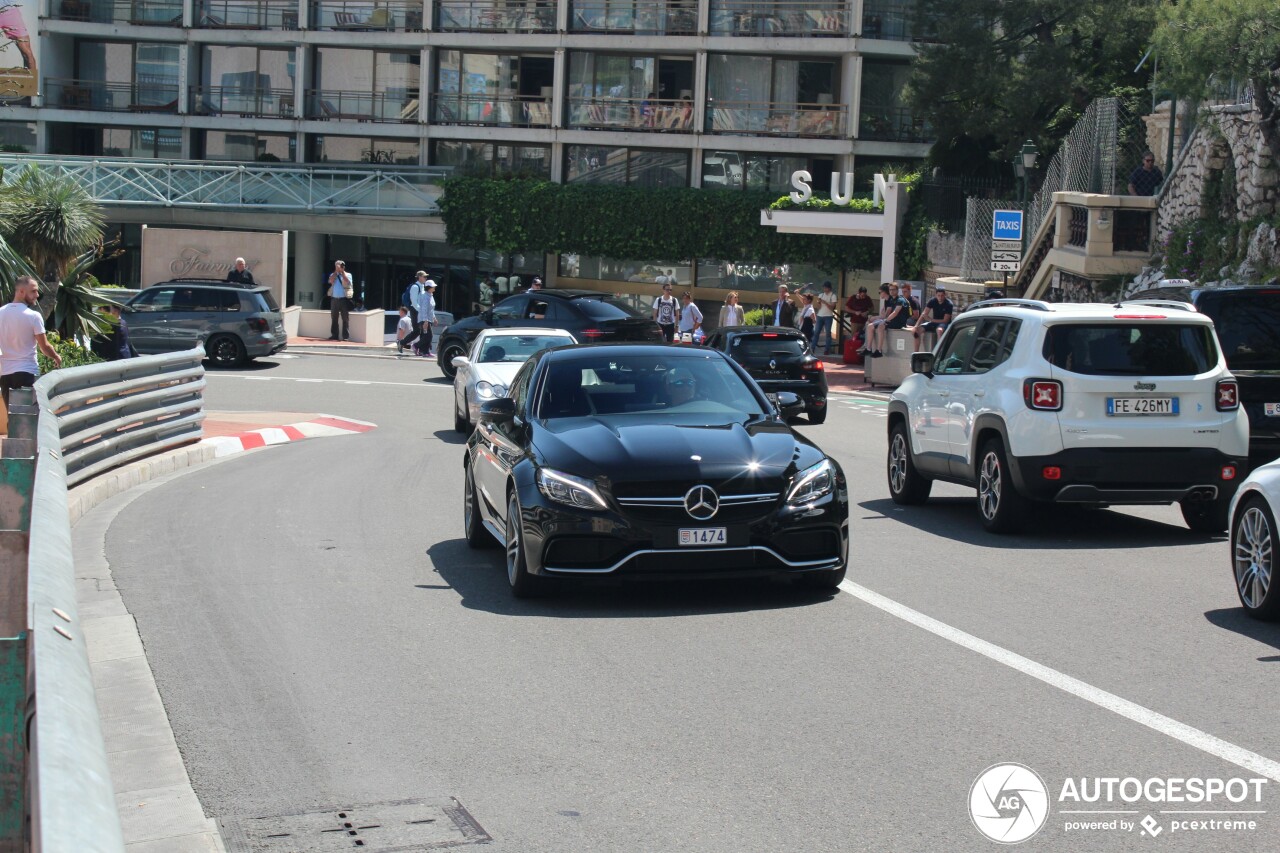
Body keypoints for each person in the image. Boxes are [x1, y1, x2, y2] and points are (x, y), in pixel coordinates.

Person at [0, 276, 60, 405]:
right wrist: (56, 356)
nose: (37, 295)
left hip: (5, 375)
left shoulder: (1, 313)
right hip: (27, 373)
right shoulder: (34, 316)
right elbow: (44, 347)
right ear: (21, 291)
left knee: (13, 418)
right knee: (28, 419)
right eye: (33, 291)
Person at [865, 282, 908, 358]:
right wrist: (884, 319)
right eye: (890, 290)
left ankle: (879, 350)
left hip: (899, 322)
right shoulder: (892, 300)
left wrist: (885, 320)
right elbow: (886, 313)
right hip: (893, 321)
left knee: (881, 326)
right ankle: (869, 348)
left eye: (893, 290)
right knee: (871, 326)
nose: (891, 291)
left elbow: (895, 312)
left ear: (897, 290)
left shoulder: (900, 300)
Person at [912, 284, 954, 350]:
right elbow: (924, 313)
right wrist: (916, 326)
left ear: (945, 295)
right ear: (936, 295)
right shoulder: (932, 301)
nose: (940, 297)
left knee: (939, 330)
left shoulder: (948, 304)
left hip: (944, 324)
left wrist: (931, 319)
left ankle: (939, 352)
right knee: (916, 331)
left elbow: (945, 320)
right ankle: (915, 353)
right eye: (938, 295)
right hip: (933, 322)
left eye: (942, 296)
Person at [327, 260, 353, 341]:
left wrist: (342, 272)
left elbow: (348, 282)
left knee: (345, 318)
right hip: (334, 299)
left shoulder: (348, 274)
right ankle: (334, 335)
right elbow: (330, 281)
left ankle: (345, 337)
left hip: (343, 299)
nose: (339, 267)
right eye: (338, 265)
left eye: (341, 265)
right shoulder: (333, 275)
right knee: (334, 318)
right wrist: (336, 271)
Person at [814, 281, 838, 353]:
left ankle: (827, 349)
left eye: (826, 288)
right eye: (824, 287)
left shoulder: (833, 296)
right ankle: (812, 348)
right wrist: (819, 303)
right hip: (820, 315)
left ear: (829, 288)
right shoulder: (821, 295)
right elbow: (818, 307)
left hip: (828, 316)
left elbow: (832, 308)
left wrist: (825, 302)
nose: (825, 289)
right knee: (816, 332)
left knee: (828, 333)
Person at [416, 278, 437, 356]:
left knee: (425, 335)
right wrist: (425, 321)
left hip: (429, 319)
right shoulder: (425, 296)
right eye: (433, 286)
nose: (434, 288)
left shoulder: (431, 296)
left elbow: (431, 309)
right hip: (424, 319)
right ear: (428, 287)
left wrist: (434, 318)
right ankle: (416, 346)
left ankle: (424, 351)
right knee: (429, 335)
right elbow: (424, 309)